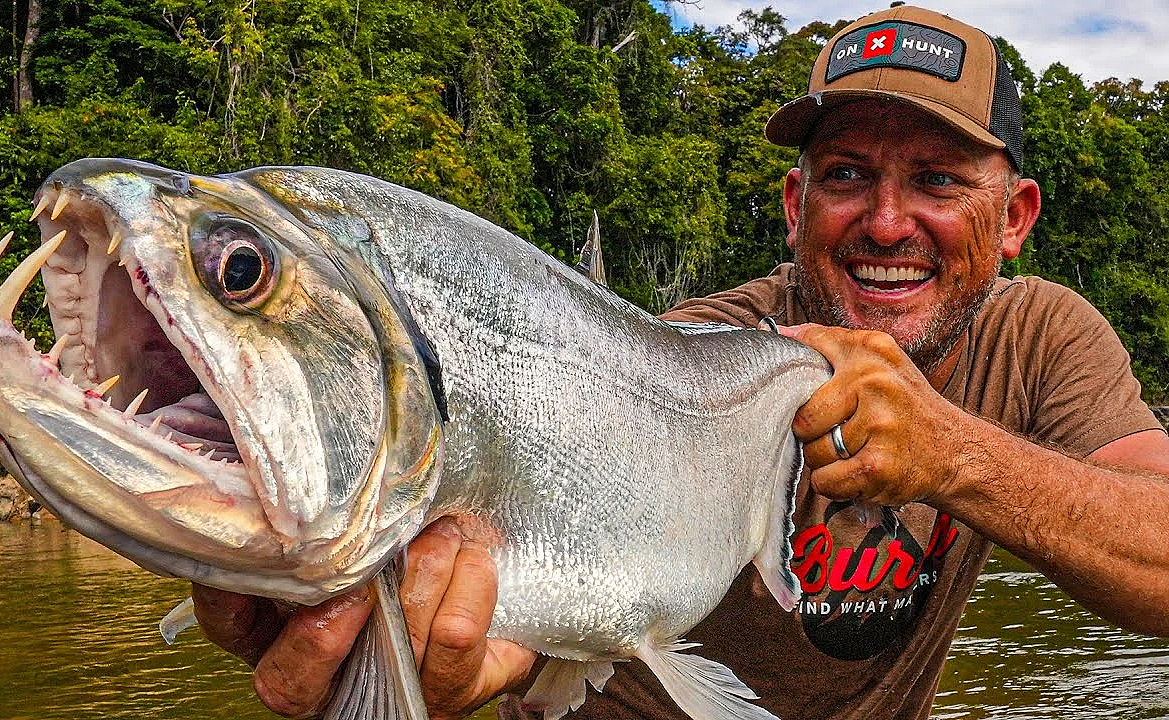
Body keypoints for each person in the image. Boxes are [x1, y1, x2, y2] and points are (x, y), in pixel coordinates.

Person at [190, 5, 1169, 719]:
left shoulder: (1044, 338)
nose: (883, 221)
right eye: (844, 177)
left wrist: (951, 454)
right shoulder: (677, 356)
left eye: (937, 181)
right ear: (794, 208)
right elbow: (525, 599)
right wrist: (449, 652)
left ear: (1016, 219)